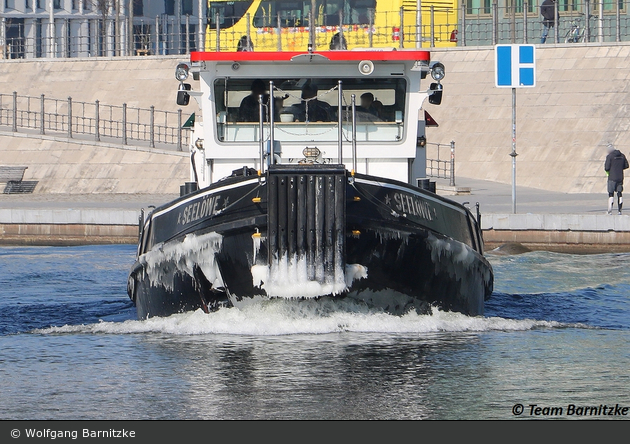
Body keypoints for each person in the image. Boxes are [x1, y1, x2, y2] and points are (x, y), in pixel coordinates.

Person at [604, 143, 629, 215]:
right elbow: (626, 165)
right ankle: (620, 211)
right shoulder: (622, 155)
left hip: (612, 177)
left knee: (611, 194)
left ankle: (610, 211)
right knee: (619, 193)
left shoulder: (609, 156)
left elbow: (607, 168)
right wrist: (619, 168)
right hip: (620, 177)